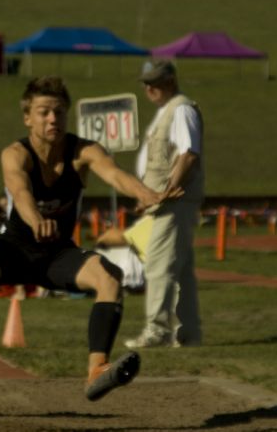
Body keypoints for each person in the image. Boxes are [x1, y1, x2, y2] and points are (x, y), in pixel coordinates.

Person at [0, 76, 174, 401]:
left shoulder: (83, 151)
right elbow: (20, 190)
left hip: (56, 256)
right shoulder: (15, 154)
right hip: (14, 249)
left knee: (110, 276)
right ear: (28, 118)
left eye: (60, 112)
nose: (53, 119)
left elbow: (114, 173)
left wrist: (145, 193)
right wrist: (37, 220)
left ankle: (97, 369)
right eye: (44, 112)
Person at [123, 60, 204, 349]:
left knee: (158, 265)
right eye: (146, 83)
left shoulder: (181, 109)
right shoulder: (168, 111)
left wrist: (168, 191)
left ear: (170, 81)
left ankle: (157, 330)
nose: (148, 88)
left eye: (154, 82)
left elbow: (189, 154)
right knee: (180, 271)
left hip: (173, 203)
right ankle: (189, 332)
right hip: (163, 202)